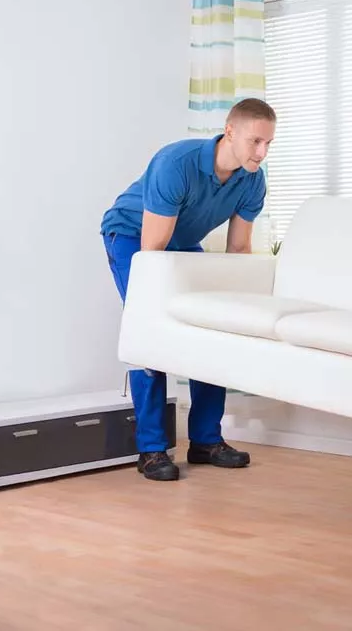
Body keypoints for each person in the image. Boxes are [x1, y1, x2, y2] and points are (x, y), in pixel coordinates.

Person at [100, 97, 276, 482]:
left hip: (178, 242)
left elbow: (239, 249)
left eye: (268, 144)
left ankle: (206, 442)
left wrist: (234, 306)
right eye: (255, 141)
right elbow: (153, 252)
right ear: (230, 132)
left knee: (210, 329)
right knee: (150, 331)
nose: (262, 153)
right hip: (134, 237)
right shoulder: (175, 164)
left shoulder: (252, 180)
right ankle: (151, 450)